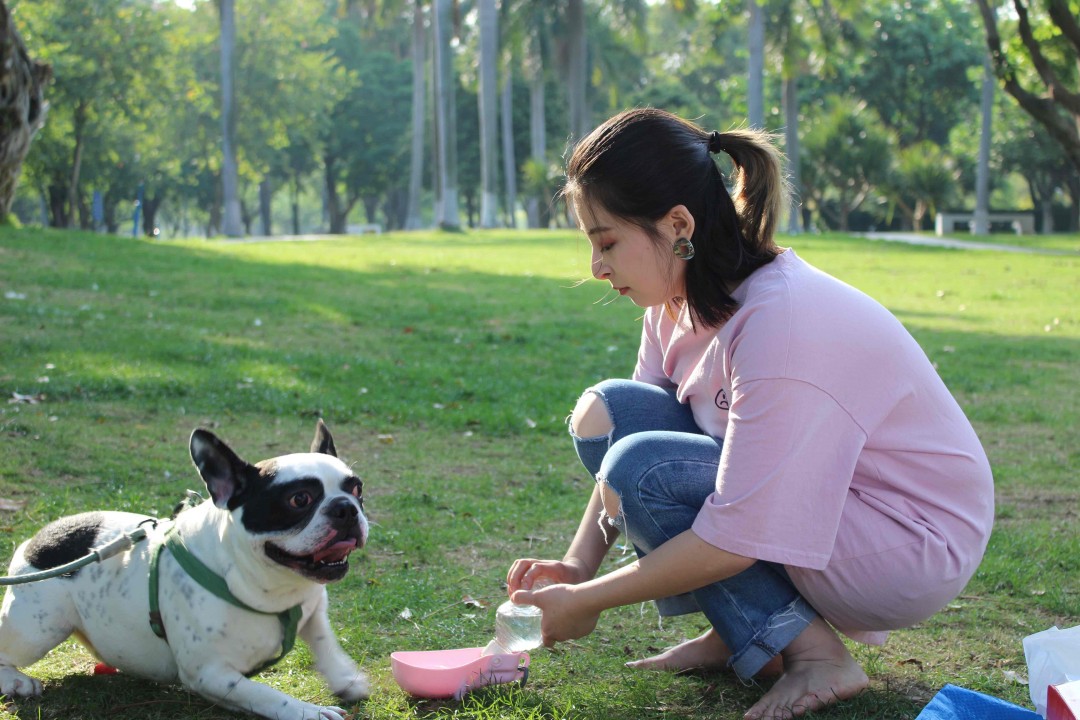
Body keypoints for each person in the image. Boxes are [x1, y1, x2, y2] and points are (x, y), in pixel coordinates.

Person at [506, 108, 995, 720]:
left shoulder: (779, 320)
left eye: (607, 242)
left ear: (677, 224)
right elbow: (623, 450)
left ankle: (817, 658)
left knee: (649, 468)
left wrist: (589, 599)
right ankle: (750, 634)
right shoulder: (674, 303)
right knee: (613, 415)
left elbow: (733, 526)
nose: (596, 268)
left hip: (907, 542)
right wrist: (577, 563)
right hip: (830, 511)